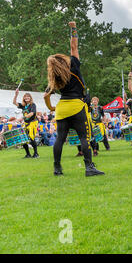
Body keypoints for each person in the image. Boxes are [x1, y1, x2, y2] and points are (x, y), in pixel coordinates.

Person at [43, 21, 104, 176]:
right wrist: (73, 28)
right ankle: (89, 167)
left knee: (59, 139)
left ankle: (57, 168)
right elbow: (74, 47)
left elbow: (46, 95)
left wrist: (51, 108)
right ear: (64, 60)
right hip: (77, 106)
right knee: (85, 137)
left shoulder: (55, 78)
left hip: (62, 109)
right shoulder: (74, 66)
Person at [12, 90, 39, 158]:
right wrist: (16, 94)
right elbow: (14, 102)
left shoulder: (33, 105)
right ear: (24, 98)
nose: (26, 98)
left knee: (31, 137)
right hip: (26, 123)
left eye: (28, 96)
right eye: (25, 97)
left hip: (33, 123)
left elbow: (32, 113)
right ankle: (28, 154)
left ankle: (36, 154)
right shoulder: (23, 106)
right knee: (23, 138)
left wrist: (22, 118)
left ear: (30, 98)